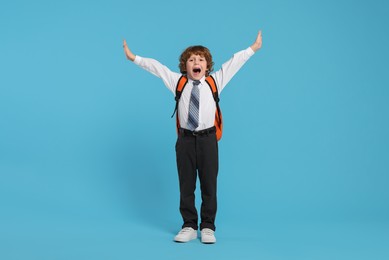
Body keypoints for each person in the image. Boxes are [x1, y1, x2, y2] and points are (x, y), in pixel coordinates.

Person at [123, 31, 262, 244]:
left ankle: (207, 226)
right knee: (186, 184)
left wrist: (252, 48)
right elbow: (157, 68)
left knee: (209, 184)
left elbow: (234, 63)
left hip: (208, 140)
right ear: (184, 65)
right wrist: (135, 58)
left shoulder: (214, 81)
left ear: (207, 66)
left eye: (200, 59)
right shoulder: (178, 82)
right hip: (185, 140)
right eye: (191, 60)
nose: (196, 62)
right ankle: (188, 225)